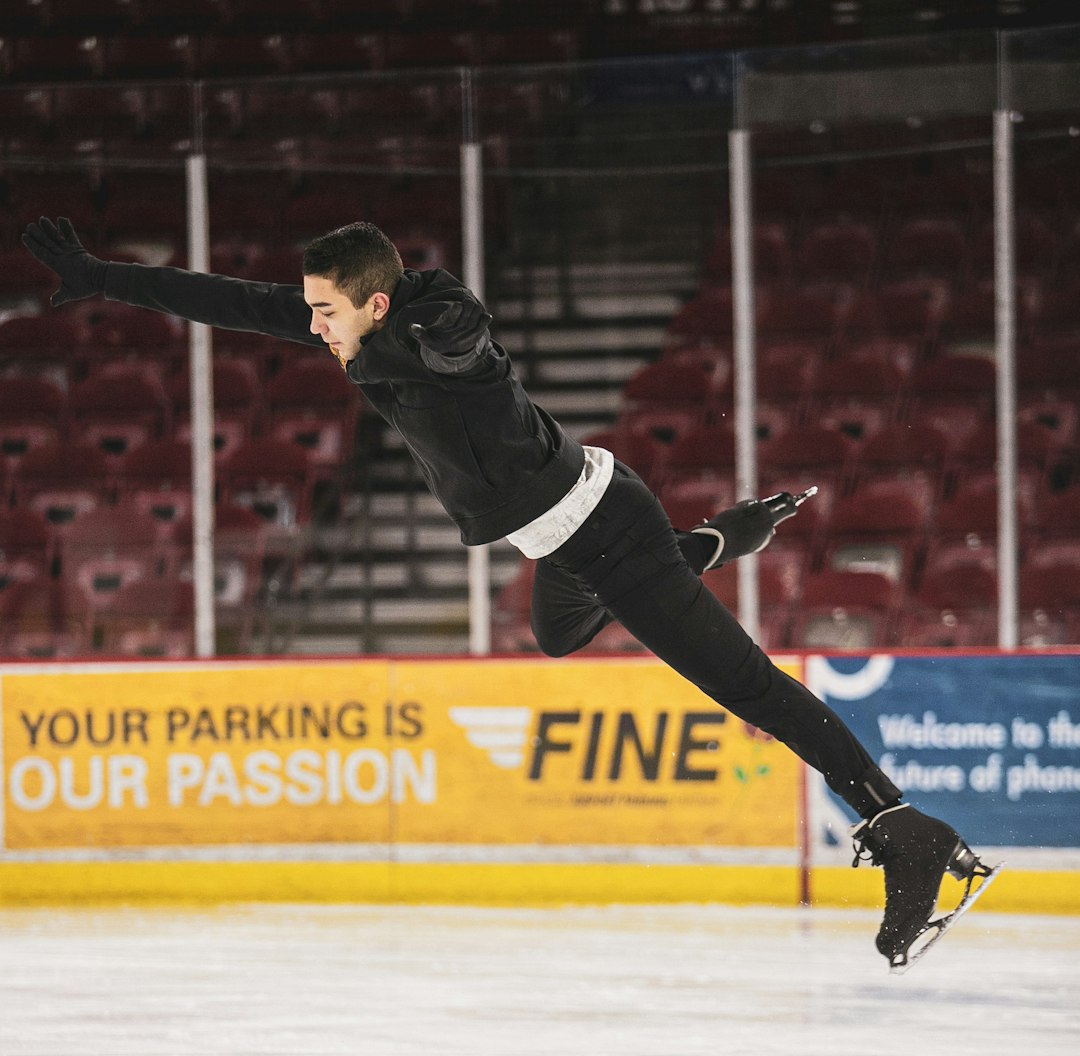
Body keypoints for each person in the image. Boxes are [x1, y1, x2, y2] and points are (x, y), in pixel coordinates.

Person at [22, 215, 997, 969]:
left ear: (373, 299)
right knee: (560, 642)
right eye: (310, 308)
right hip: (567, 545)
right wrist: (101, 277)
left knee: (745, 685)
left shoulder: (441, 333)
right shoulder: (352, 334)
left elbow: (465, 340)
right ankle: (706, 543)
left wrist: (440, 327)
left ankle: (904, 828)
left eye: (325, 308)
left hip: (605, 528)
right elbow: (227, 299)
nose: (310, 324)